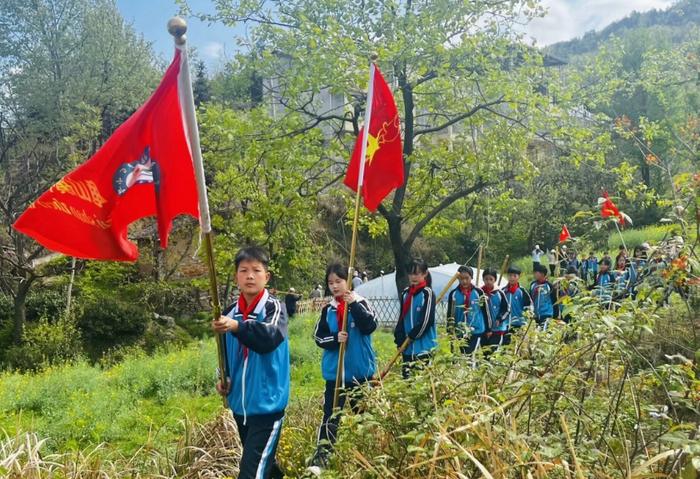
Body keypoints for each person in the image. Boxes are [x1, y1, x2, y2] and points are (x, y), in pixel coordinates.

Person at [212, 246, 289, 479]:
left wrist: (237, 326)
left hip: (267, 407)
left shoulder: (274, 308)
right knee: (263, 466)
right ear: (236, 276)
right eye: (243, 270)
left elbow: (268, 338)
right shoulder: (228, 312)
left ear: (267, 276)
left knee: (250, 473)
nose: (250, 276)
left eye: (256, 270)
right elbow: (224, 355)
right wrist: (223, 377)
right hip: (241, 407)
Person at [308, 263, 377, 473]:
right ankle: (323, 455)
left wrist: (353, 305)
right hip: (335, 374)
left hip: (359, 372)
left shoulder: (361, 302)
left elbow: (370, 326)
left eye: (338, 281)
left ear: (348, 282)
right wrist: (334, 339)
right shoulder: (327, 309)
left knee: (362, 414)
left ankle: (366, 455)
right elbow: (318, 337)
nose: (335, 286)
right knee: (331, 415)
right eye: (331, 283)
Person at [393, 259, 437, 379]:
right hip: (407, 349)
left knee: (422, 382)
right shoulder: (405, 294)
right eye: (411, 274)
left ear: (424, 274)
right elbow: (402, 318)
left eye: (417, 274)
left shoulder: (427, 293)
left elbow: (427, 321)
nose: (413, 277)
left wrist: (412, 336)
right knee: (408, 381)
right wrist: (399, 337)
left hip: (424, 348)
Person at [447, 266, 486, 357]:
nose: (464, 281)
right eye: (461, 278)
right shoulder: (453, 294)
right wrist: (449, 330)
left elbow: (484, 311)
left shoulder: (478, 292)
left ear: (471, 277)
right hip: (460, 330)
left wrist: (487, 329)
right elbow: (450, 314)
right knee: (462, 355)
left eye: (466, 278)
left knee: (470, 355)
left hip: (476, 330)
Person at [481, 268, 510, 353]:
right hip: (484, 329)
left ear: (495, 280)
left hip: (498, 328)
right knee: (485, 352)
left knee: (493, 351)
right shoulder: (480, 293)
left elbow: (507, 309)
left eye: (491, 279)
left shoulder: (499, 293)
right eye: (486, 279)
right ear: (483, 279)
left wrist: (499, 318)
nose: (488, 281)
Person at [501, 265, 531, 337]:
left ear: (519, 276)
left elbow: (529, 306)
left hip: (519, 324)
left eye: (514, 276)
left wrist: (525, 320)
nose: (512, 278)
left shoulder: (522, 291)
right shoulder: (503, 291)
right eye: (510, 275)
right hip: (506, 324)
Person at [529, 264, 557, 330]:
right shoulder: (533, 285)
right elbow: (530, 299)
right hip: (535, 315)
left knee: (544, 331)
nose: (534, 274)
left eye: (536, 273)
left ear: (542, 274)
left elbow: (554, 300)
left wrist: (555, 315)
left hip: (546, 314)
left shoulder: (549, 286)